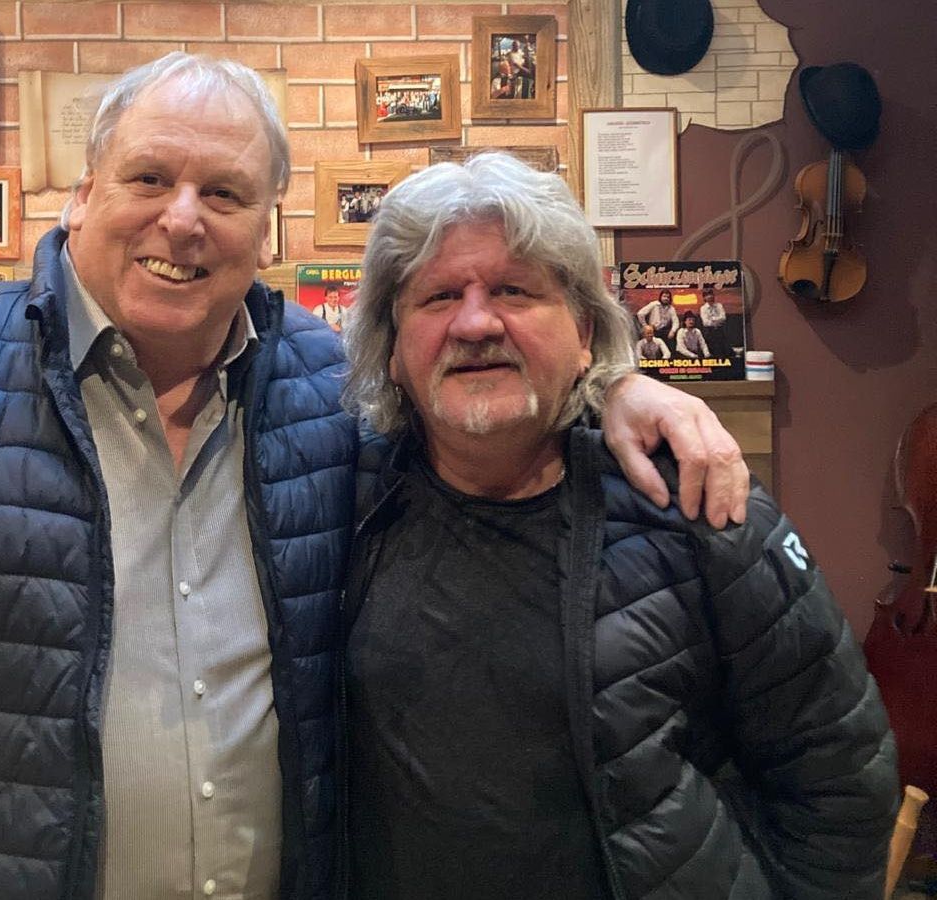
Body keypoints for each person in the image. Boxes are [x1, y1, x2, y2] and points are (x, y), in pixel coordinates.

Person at [0, 55, 749, 900]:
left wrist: (614, 385)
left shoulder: (338, 395)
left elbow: (485, 407)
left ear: (266, 227)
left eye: (224, 194)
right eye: (149, 179)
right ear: (83, 194)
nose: (184, 221)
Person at [340, 152, 898, 900]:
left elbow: (838, 777)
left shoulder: (697, 494)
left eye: (513, 290)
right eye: (439, 296)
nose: (475, 323)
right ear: (392, 349)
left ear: (583, 334)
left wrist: (627, 382)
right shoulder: (343, 503)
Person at [699, 284, 730, 356]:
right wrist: (717, 320)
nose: (710, 296)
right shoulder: (703, 308)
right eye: (707, 295)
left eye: (711, 294)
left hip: (720, 330)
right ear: (704, 298)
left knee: (723, 350)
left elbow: (723, 318)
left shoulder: (719, 305)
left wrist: (712, 319)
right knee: (711, 350)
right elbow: (705, 322)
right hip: (709, 332)